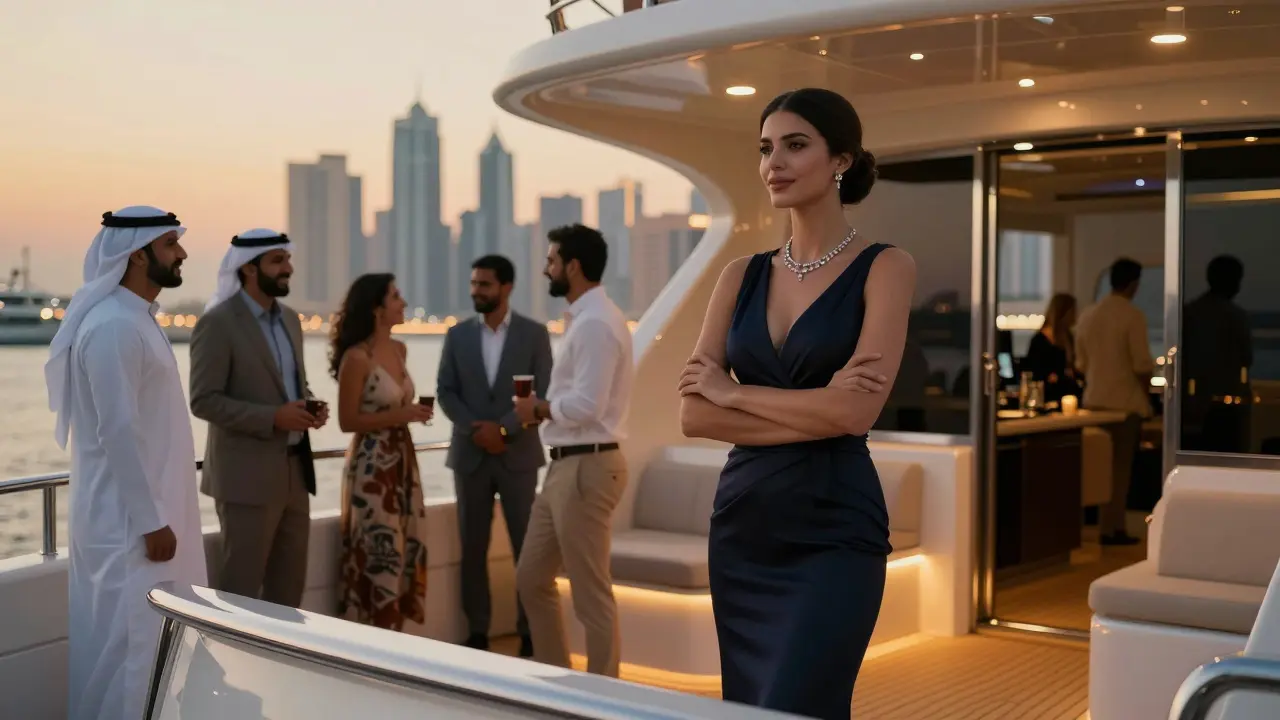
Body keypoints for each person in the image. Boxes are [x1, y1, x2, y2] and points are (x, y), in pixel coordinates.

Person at [677, 88, 915, 719]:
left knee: (802, 703)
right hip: (744, 529)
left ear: (841, 159)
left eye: (795, 144)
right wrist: (819, 409)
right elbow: (694, 415)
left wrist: (737, 393)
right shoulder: (739, 275)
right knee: (751, 709)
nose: (773, 163)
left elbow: (856, 415)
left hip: (835, 530)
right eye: (765, 148)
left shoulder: (886, 267)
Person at [46, 206, 207, 720]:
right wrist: (149, 520)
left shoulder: (135, 318)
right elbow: (116, 431)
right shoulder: (114, 325)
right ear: (136, 255)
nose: (182, 253)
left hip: (150, 519)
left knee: (150, 649)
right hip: (131, 527)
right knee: (131, 652)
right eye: (170, 245)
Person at [512, 224, 633, 677]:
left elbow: (587, 405)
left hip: (587, 466)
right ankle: (556, 681)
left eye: (551, 261)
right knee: (531, 578)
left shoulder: (598, 324)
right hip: (566, 467)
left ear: (573, 266)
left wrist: (538, 407)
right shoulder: (586, 320)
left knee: (590, 593)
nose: (546, 269)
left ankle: (604, 697)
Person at [189, 229, 326, 607]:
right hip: (245, 480)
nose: (288, 269)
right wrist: (274, 417)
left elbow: (290, 386)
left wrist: (308, 407)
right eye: (278, 261)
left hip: (296, 475)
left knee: (289, 591)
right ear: (248, 269)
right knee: (241, 592)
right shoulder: (217, 324)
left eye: (288, 260)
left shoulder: (292, 321)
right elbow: (203, 401)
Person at [438, 255, 553, 656]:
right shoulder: (456, 336)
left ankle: (528, 632)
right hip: (470, 456)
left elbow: (543, 392)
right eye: (473, 284)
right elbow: (445, 391)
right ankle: (478, 634)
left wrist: (503, 429)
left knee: (527, 548)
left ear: (506, 287)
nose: (476, 291)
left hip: (517, 455)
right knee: (472, 549)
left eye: (484, 284)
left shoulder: (535, 335)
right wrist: (477, 430)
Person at [332, 273, 433, 630]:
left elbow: (396, 408)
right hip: (373, 467)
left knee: (406, 545)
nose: (403, 303)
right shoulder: (357, 358)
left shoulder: (400, 349)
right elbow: (347, 421)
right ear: (377, 309)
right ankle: (375, 638)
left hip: (403, 462)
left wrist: (412, 415)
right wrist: (401, 414)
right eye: (396, 296)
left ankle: (396, 636)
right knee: (381, 549)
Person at [1075, 257, 1153, 546]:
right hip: (1123, 404)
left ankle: (1090, 528)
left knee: (1094, 468)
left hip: (1093, 402)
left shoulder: (1088, 315)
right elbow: (1142, 365)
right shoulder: (1132, 316)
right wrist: (1150, 400)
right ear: (1133, 284)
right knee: (1119, 471)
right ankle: (1112, 528)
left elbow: (1081, 363)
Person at [1023, 293, 1083, 403]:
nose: (1076, 316)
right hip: (1048, 397)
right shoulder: (1040, 341)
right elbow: (1035, 372)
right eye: (1073, 312)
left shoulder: (1069, 337)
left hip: (1068, 396)